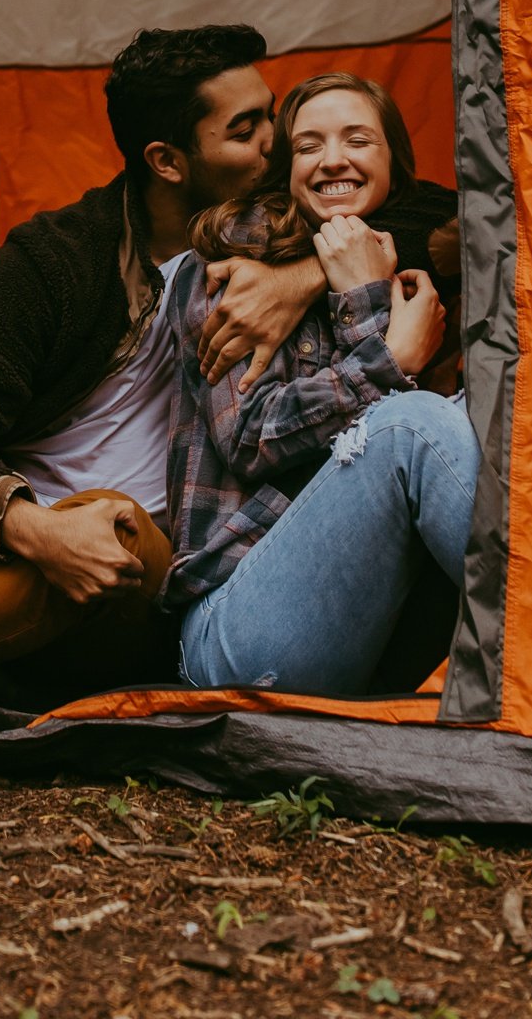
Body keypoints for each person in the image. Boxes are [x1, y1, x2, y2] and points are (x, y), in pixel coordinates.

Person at [0, 24, 329, 694]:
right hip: (25, 530)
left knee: (114, 521)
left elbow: (441, 228)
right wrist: (34, 529)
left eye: (270, 115)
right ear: (166, 161)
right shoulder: (57, 259)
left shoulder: (291, 229)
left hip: (150, 565)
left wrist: (306, 275)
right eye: (244, 131)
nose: (275, 144)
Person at [161, 71, 481, 698]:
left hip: (376, 629)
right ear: (284, 168)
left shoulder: (413, 256)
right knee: (412, 426)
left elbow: (477, 212)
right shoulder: (233, 261)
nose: (334, 159)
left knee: (497, 407)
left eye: (358, 140)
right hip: (237, 629)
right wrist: (384, 348)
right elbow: (248, 435)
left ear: (394, 162)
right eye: (308, 146)